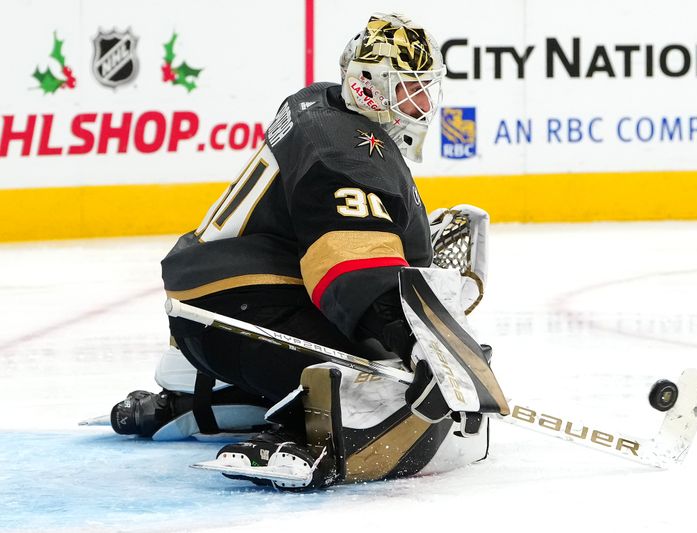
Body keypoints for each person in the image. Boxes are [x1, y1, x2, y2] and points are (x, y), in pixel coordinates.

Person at [110, 12, 496, 490]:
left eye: (424, 88)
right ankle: (302, 432)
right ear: (370, 87)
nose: (420, 103)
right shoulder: (349, 148)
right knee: (388, 374)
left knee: (379, 343)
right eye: (408, 88)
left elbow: (328, 228)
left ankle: (201, 394)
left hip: (211, 314)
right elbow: (352, 266)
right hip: (242, 315)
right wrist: (416, 344)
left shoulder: (316, 103)